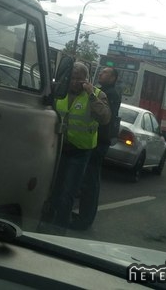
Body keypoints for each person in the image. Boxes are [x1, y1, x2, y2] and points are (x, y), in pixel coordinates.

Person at [40, 61, 111, 234]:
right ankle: (47, 222)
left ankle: (59, 230)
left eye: (79, 79)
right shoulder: (60, 92)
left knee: (68, 193)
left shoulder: (96, 94)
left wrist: (91, 95)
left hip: (80, 152)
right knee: (54, 189)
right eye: (72, 78)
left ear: (86, 80)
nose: (75, 82)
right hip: (60, 148)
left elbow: (105, 117)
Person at [71, 66, 121, 231]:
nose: (101, 73)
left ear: (113, 78)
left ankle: (85, 219)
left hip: (99, 142)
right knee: (86, 180)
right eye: (101, 71)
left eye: (105, 72)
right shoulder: (100, 90)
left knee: (90, 182)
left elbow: (105, 117)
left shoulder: (110, 94)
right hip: (94, 140)